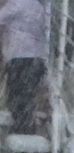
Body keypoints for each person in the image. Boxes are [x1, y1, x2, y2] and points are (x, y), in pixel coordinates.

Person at [0, 0, 46, 135]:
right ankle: (26, 128)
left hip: (19, 55)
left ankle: (20, 129)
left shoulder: (15, 4)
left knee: (16, 94)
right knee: (28, 95)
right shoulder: (38, 6)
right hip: (37, 56)